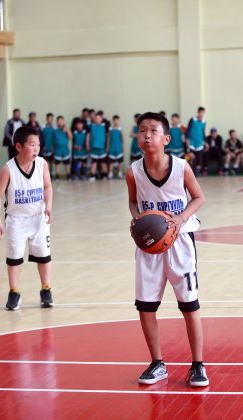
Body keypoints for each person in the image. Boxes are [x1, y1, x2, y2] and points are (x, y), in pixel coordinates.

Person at [125, 112, 208, 387]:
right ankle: (157, 363)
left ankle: (198, 365)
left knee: (189, 304)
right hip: (149, 244)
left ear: (166, 139)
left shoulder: (181, 167)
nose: (147, 135)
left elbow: (199, 197)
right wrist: (137, 218)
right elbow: (133, 202)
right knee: (146, 306)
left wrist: (181, 218)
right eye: (142, 130)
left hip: (180, 241)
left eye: (153, 130)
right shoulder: (133, 171)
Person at [0, 126, 53, 311]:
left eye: (38, 145)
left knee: (44, 257)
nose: (36, 149)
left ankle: (46, 289)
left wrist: (49, 206)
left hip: (38, 218)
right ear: (18, 146)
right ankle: (14, 292)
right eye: (32, 145)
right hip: (16, 220)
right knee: (14, 259)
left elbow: (48, 187)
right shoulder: (8, 169)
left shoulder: (42, 164)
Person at [185, 107, 207, 175]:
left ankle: (197, 171)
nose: (201, 114)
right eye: (200, 112)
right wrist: (187, 139)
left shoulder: (204, 122)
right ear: (198, 112)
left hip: (199, 143)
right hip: (191, 142)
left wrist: (205, 142)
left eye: (203, 113)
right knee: (191, 157)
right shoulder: (192, 119)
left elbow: (203, 132)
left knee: (199, 159)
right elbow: (188, 130)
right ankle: (190, 172)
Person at [87, 113, 108, 180]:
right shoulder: (91, 126)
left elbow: (107, 137)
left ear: (101, 119)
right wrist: (87, 145)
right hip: (94, 147)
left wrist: (107, 146)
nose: (97, 119)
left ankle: (105, 175)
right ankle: (92, 175)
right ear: (94, 119)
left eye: (99, 118)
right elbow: (88, 136)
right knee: (94, 162)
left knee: (103, 162)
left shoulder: (104, 126)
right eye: (96, 118)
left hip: (102, 148)